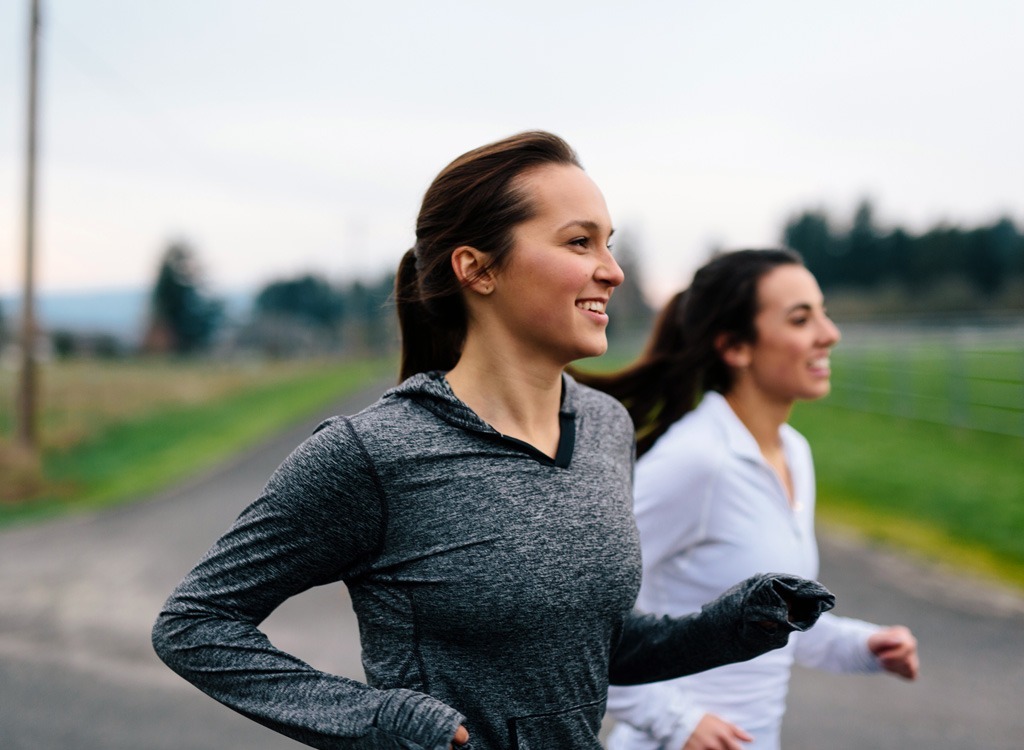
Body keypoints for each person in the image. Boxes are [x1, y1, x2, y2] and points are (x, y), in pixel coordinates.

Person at [151, 135, 836, 750]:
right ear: (478, 269)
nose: (613, 270)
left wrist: (735, 622)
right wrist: (385, 721)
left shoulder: (604, 428)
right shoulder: (374, 452)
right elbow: (195, 624)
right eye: (579, 242)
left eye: (610, 242)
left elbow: (587, 647)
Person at [575, 248, 919, 750]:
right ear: (735, 346)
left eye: (823, 312)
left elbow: (776, 621)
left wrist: (864, 645)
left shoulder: (794, 453)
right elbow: (577, 623)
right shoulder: (697, 460)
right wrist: (675, 721)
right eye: (802, 318)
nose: (830, 333)